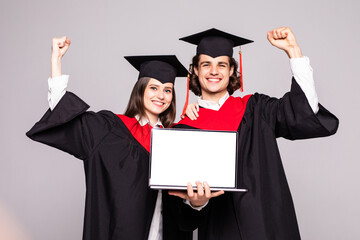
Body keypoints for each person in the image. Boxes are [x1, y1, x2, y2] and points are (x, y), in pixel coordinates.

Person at [172, 27, 339, 239]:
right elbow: (180, 219)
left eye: (222, 65)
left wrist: (294, 52)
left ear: (232, 70)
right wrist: (196, 204)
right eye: (206, 64)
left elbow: (302, 110)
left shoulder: (256, 109)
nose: (214, 71)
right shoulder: (184, 131)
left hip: (267, 226)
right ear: (195, 70)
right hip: (219, 231)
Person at [26, 36, 193, 240]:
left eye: (168, 90)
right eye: (153, 88)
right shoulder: (111, 129)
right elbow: (64, 115)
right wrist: (56, 60)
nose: (161, 95)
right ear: (140, 89)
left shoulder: (177, 142)